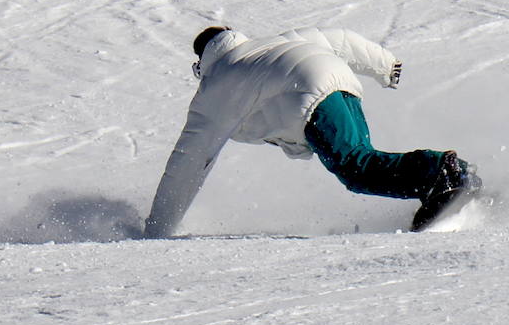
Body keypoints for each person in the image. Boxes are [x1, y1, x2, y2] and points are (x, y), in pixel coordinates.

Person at [143, 25, 480, 238]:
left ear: (202, 62)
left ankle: (441, 173)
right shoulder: (272, 43)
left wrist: (157, 231)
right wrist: (385, 66)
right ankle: (452, 177)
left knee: (355, 167)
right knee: (363, 160)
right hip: (341, 82)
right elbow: (339, 41)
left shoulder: (217, 84)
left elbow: (187, 164)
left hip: (308, 93)